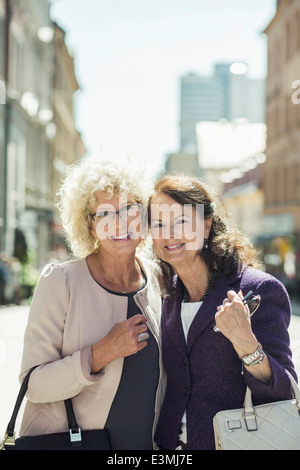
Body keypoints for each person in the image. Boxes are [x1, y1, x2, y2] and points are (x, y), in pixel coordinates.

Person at [19, 158, 165, 450]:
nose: (120, 223)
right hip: (70, 445)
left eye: (128, 209)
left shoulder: (161, 278)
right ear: (90, 225)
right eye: (104, 214)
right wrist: (99, 354)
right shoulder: (61, 281)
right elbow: (32, 385)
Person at [149, 174, 297, 450]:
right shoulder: (167, 294)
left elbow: (284, 392)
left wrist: (245, 342)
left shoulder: (258, 290)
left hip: (233, 442)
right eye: (158, 224)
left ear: (206, 226)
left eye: (181, 221)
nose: (169, 233)